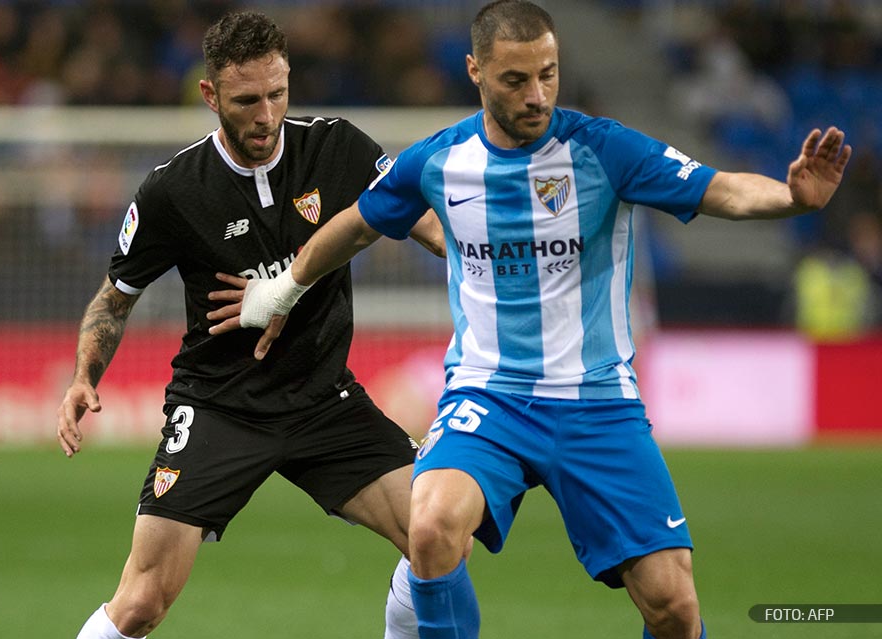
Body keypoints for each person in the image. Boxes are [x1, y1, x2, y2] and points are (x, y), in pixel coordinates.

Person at [210, 2, 852, 638]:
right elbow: (353, 225)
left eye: (548, 74)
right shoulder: (439, 161)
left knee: (673, 608)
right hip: (490, 395)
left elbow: (723, 190)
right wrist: (284, 288)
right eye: (516, 80)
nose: (537, 94)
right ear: (476, 72)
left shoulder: (605, 151)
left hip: (596, 400)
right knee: (430, 526)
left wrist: (792, 196)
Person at [55, 11, 446, 639]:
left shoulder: (336, 148)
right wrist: (83, 376)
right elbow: (115, 298)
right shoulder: (173, 191)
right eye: (246, 100)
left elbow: (425, 225)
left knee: (437, 537)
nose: (266, 115)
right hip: (219, 407)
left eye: (277, 93)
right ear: (210, 95)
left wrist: (483, 258)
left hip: (324, 401)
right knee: (141, 602)